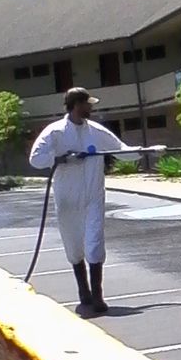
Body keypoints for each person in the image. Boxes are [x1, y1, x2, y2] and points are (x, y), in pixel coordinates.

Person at [29, 86, 140, 313]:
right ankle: (83, 291)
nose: (91, 107)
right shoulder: (55, 132)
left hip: (92, 197)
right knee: (74, 243)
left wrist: (147, 151)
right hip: (68, 199)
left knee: (95, 242)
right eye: (87, 103)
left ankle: (97, 295)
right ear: (76, 105)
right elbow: (35, 158)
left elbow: (121, 150)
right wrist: (59, 158)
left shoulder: (96, 132)